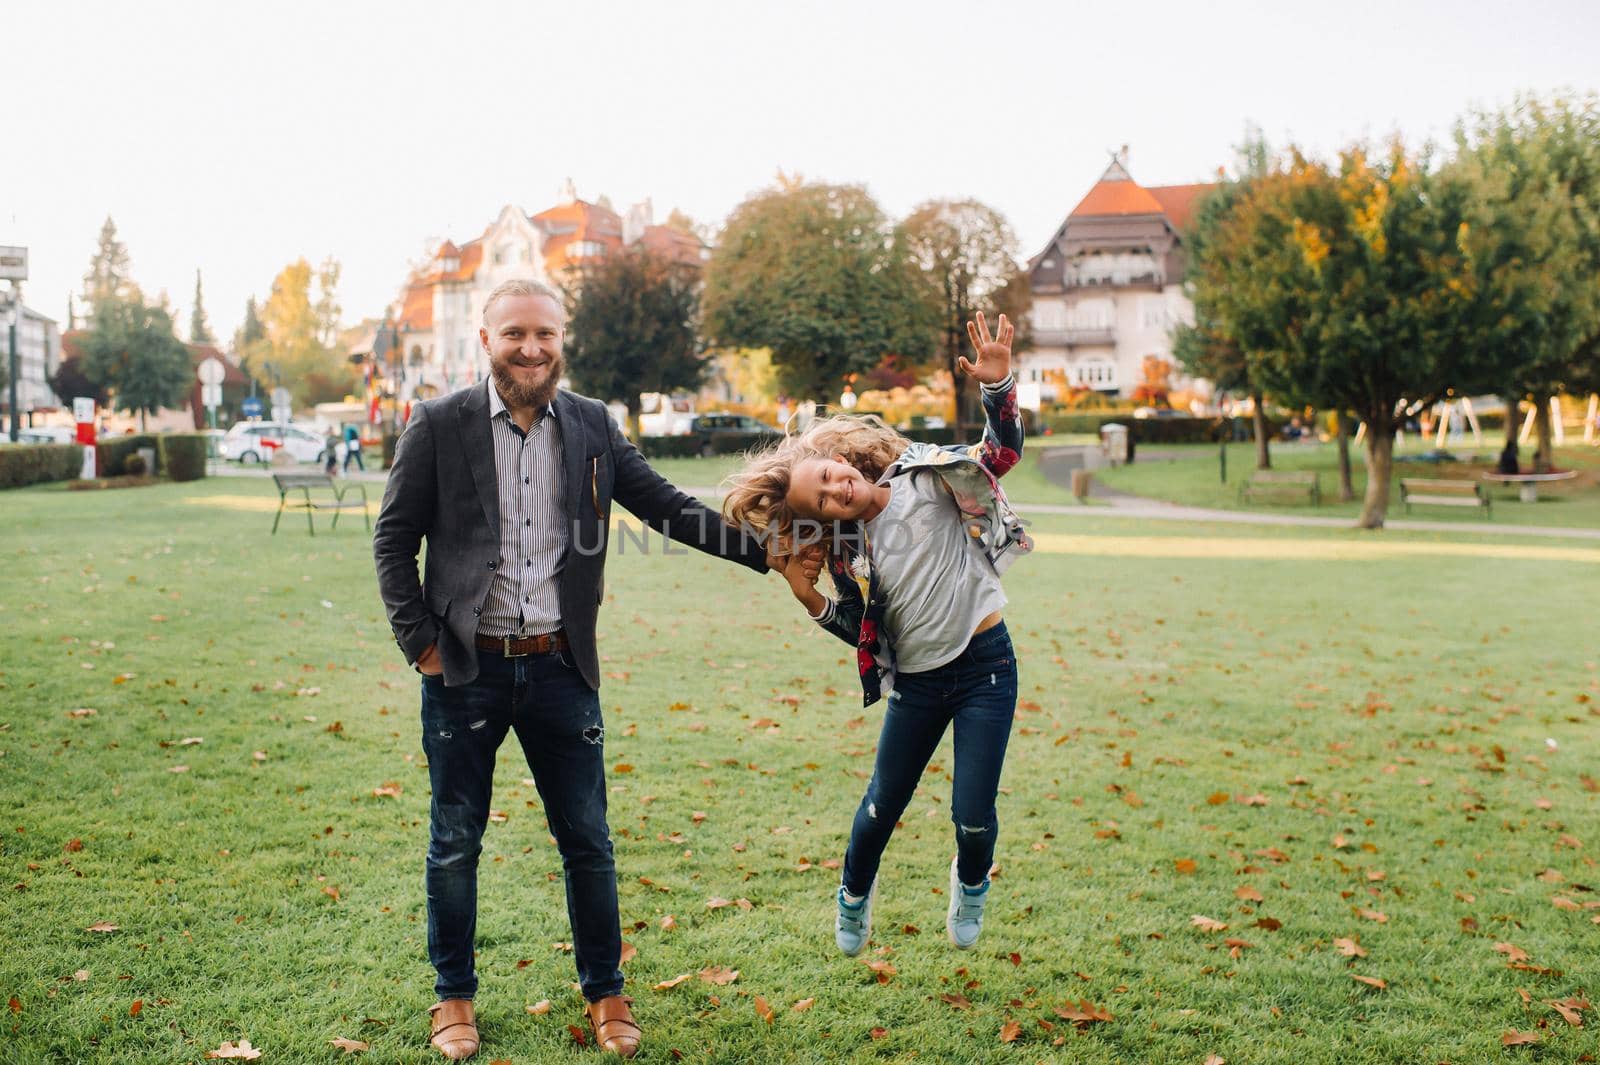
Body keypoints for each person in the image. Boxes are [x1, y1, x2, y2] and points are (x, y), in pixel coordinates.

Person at [374, 278, 798, 1060]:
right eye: (515, 335)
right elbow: (393, 541)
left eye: (545, 333)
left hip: (562, 667)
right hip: (465, 669)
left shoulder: (593, 425)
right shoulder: (439, 424)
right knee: (454, 840)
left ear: (562, 337)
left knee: (588, 839)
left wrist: (769, 552)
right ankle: (453, 998)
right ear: (486, 339)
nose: (531, 348)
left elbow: (668, 506)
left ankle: (607, 991)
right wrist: (423, 644)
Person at [722, 312, 1029, 957]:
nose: (838, 488)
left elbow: (997, 455)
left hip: (986, 668)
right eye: (824, 499)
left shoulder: (926, 478)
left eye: (831, 476)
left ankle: (970, 883)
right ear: (821, 520)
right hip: (917, 685)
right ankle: (854, 894)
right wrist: (809, 599)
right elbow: (863, 634)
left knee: (973, 817)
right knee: (878, 810)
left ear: (840, 460)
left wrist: (997, 391)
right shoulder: (847, 554)